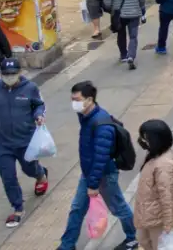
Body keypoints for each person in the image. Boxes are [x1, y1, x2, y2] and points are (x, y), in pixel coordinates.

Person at [59, 81, 138, 250]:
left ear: (89, 100)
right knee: (77, 209)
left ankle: (133, 237)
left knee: (118, 208)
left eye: (77, 99)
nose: (74, 103)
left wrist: (93, 185)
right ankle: (67, 245)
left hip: (104, 175)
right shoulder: (86, 115)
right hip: (89, 173)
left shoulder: (102, 125)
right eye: (72, 99)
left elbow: (100, 157)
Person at [0, 59, 48, 227]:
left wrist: (38, 115)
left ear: (20, 72)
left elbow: (39, 105)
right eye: (6, 74)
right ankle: (17, 208)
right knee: (8, 177)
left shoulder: (30, 88)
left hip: (25, 142)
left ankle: (40, 174)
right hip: (3, 144)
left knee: (29, 169)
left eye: (13, 74)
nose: (10, 77)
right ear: (0, 74)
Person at [132, 119, 173, 250]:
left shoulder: (163, 165)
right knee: (143, 240)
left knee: (159, 245)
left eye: (145, 138)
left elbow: (167, 197)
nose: (142, 141)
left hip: (158, 217)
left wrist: (168, 224)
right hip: (148, 212)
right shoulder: (154, 155)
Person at [103, 0, 146, 70]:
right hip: (134, 14)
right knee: (133, 36)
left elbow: (106, 3)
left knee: (121, 35)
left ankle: (123, 55)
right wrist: (141, 9)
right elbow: (142, 0)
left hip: (119, 15)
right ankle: (131, 55)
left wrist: (113, 9)